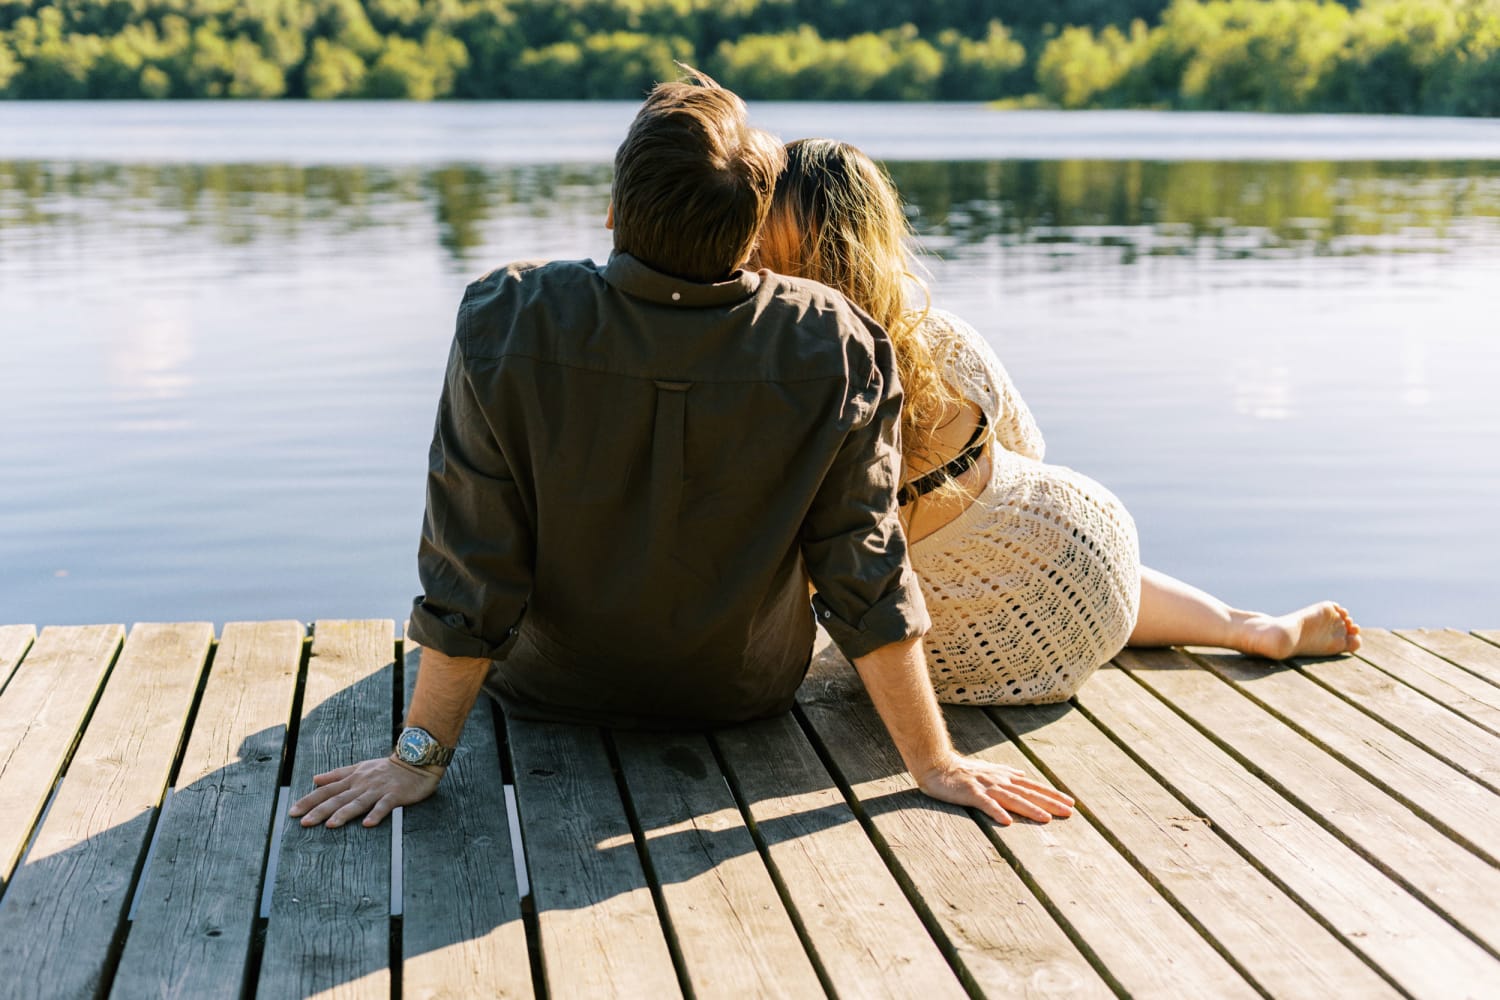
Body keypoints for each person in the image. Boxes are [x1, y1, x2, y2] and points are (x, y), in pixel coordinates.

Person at [290, 75, 1073, 830]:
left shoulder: (509, 320)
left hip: (543, 689)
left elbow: (473, 563)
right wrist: (934, 763)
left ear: (611, 211)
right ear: (751, 232)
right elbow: (863, 573)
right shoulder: (838, 342)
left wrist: (417, 759)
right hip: (739, 697)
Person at [755, 138, 1361, 706]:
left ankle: (1239, 625)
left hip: (948, 652)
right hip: (1092, 582)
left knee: (951, 561)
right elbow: (1028, 450)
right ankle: (1246, 627)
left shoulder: (784, 387)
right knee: (1033, 526)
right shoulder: (943, 339)